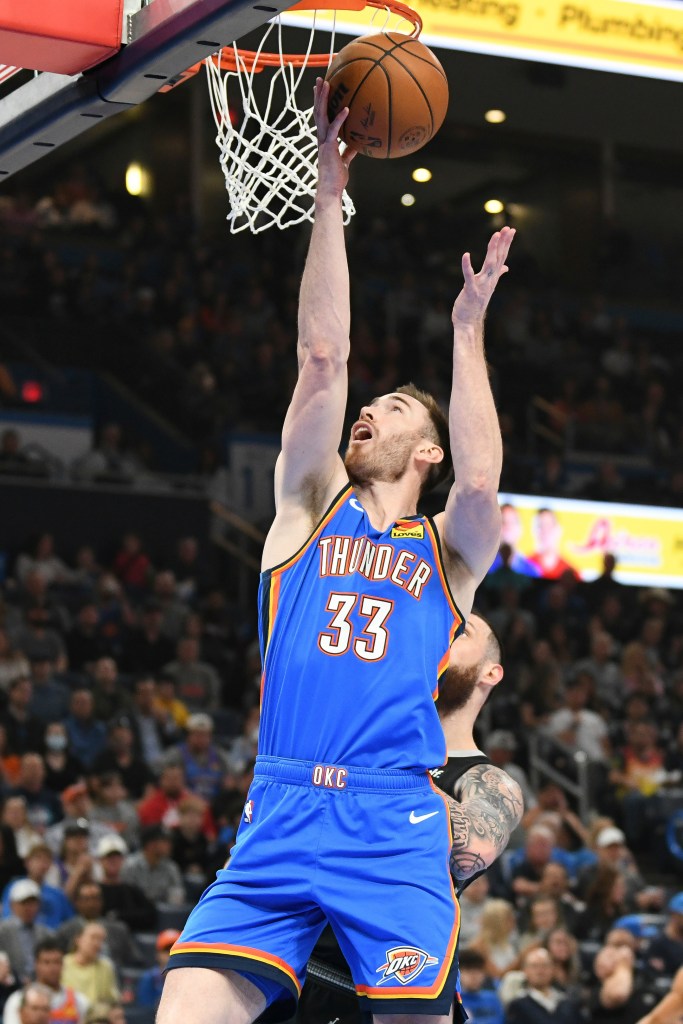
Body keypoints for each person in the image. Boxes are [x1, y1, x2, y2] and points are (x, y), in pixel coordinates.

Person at [160, 80, 515, 1024]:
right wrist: (326, 192)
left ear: (425, 450)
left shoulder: (446, 550)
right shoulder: (303, 510)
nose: (367, 410)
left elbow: (481, 486)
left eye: (392, 408)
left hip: (387, 819)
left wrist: (467, 333)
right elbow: (323, 356)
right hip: (278, 809)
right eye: (371, 405)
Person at [2, 937, 89, 1024]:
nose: (52, 968)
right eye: (46, 962)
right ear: (36, 964)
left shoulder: (79, 1001)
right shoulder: (18, 1000)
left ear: (63, 964)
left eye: (56, 962)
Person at [60, 924, 119, 1006]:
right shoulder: (62, 964)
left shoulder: (106, 966)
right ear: (78, 939)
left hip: (97, 1015)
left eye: (101, 940)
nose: (97, 944)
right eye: (93, 938)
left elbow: (112, 999)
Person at [527, 508, 579, 580]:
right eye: (540, 526)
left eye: (549, 525)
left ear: (558, 530)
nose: (545, 531)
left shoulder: (572, 573)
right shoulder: (525, 566)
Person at [135, 929, 181, 1009]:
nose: (171, 953)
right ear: (158, 954)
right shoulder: (149, 979)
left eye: (175, 949)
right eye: (167, 950)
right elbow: (145, 1011)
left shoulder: (189, 978)